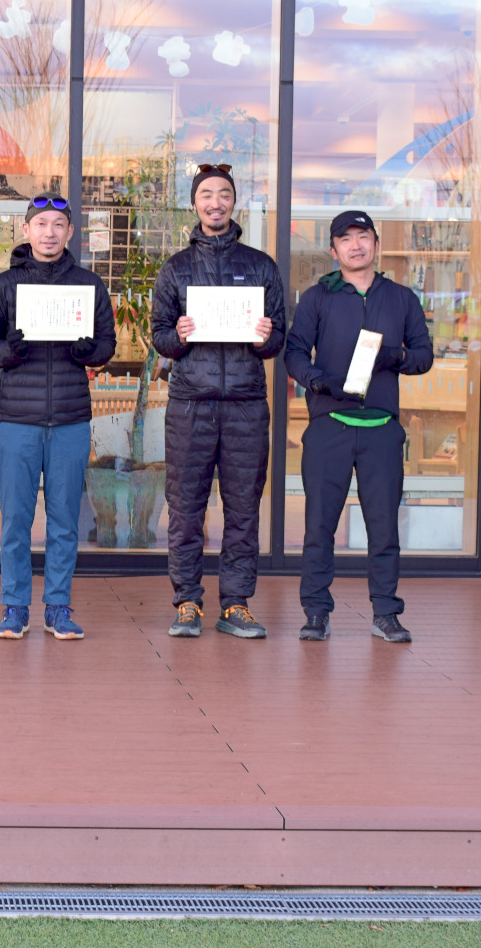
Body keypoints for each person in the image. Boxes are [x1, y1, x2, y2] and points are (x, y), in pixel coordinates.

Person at [284, 209, 434, 643]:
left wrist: (396, 357)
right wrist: (317, 380)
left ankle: (386, 613)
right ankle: (316, 612)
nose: (356, 245)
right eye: (346, 239)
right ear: (334, 250)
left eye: (363, 236)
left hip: (381, 428)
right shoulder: (318, 297)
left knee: (384, 527)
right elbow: (294, 352)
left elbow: (424, 355)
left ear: (376, 245)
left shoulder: (402, 298)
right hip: (329, 424)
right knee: (319, 526)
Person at [151, 163, 286, 640]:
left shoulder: (261, 266)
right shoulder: (176, 268)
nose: (215, 202)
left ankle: (236, 603)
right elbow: (160, 338)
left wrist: (265, 336)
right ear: (195, 203)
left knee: (243, 508)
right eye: (206, 194)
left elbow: (277, 341)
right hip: (190, 405)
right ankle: (187, 601)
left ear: (233, 201)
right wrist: (179, 335)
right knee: (185, 507)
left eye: (224, 194)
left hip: (246, 404)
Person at [0, 196, 116, 640]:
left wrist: (87, 351)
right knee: (15, 520)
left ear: (70, 232)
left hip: (70, 418)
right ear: (26, 230)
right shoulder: (4, 286)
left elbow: (107, 344)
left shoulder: (88, 285)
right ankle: (15, 607)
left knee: (64, 521)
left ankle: (58, 606)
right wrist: (8, 352)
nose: (49, 232)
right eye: (41, 224)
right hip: (17, 419)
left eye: (58, 225)